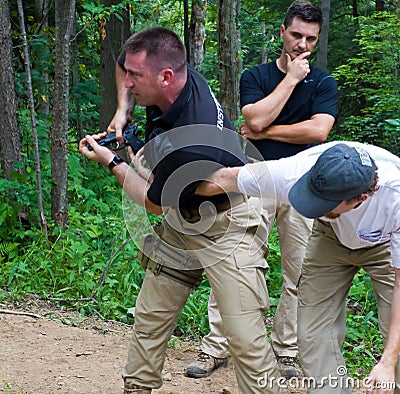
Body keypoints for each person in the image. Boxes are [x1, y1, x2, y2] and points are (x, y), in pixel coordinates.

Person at [80, 27, 286, 394]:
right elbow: (121, 65)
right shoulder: (177, 76)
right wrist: (122, 112)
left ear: (166, 77)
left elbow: (152, 202)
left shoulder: (191, 140)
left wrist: (111, 161)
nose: (128, 81)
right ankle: (137, 388)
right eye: (128, 74)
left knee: (245, 340)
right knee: (151, 318)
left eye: (136, 77)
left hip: (229, 221)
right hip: (183, 213)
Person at [185, 0, 338, 380]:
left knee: (298, 271)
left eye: (310, 39)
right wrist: (289, 80)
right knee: (234, 260)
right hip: (254, 175)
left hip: (305, 181)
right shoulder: (256, 76)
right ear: (283, 32)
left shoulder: (324, 82)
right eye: (297, 35)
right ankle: (217, 346)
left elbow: (318, 131)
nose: (303, 44)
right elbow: (252, 116)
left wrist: (265, 131)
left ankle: (285, 350)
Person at [196, 140, 400, 393]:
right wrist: (162, 185)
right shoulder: (293, 170)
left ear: (361, 198)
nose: (313, 204)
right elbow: (224, 179)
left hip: (386, 242)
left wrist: (388, 362)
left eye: (322, 202)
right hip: (330, 235)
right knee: (314, 331)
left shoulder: (396, 198)